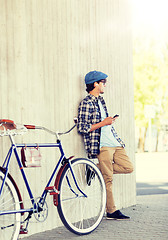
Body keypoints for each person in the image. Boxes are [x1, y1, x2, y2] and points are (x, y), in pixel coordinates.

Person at [77, 70, 134, 220]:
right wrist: (104, 122)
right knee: (107, 178)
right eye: (103, 82)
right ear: (95, 83)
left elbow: (103, 123)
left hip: (115, 142)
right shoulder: (86, 102)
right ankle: (111, 211)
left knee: (128, 167)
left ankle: (95, 168)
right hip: (102, 145)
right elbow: (83, 128)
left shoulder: (101, 101)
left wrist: (109, 121)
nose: (105, 85)